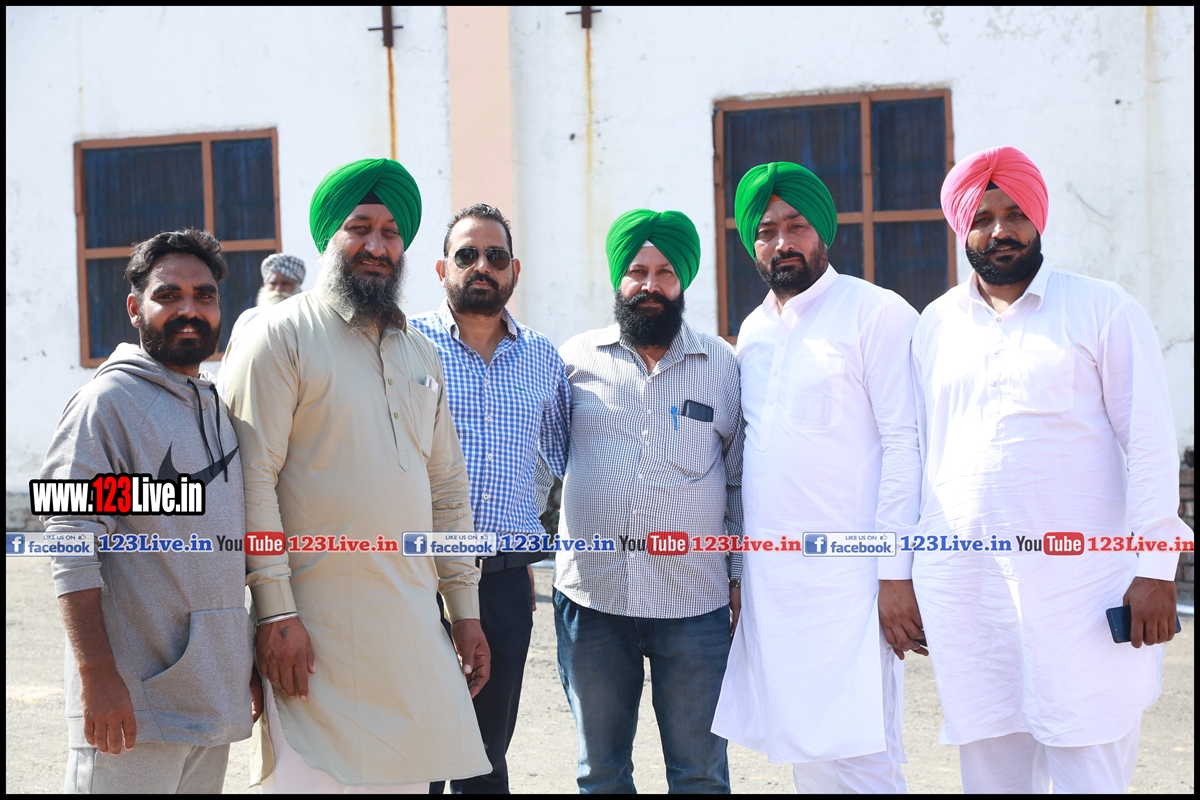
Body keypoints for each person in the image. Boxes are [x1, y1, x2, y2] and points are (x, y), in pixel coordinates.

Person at [909, 145, 1191, 793]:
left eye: (1014, 214)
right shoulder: (935, 325)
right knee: (991, 771)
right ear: (961, 228)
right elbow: (923, 455)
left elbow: (1150, 441)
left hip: (1081, 591)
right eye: (982, 218)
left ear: (1038, 219)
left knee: (1089, 757)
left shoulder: (1102, 308)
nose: (999, 230)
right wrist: (908, 571)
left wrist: (1157, 567)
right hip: (969, 592)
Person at [221, 158, 491, 793]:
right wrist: (274, 615)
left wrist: (465, 609)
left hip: (411, 634)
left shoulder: (419, 351)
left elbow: (447, 489)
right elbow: (252, 481)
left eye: (391, 232)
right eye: (360, 227)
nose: (377, 245)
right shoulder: (278, 337)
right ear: (328, 237)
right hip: (313, 640)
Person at [711, 162, 921, 793]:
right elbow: (749, 462)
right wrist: (743, 576)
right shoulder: (752, 332)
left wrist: (895, 574)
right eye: (766, 230)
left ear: (823, 230)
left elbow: (905, 446)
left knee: (865, 753)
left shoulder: (876, 312)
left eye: (796, 225)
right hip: (776, 587)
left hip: (853, 586)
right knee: (804, 749)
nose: (782, 242)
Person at [40, 229, 256, 793]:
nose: (189, 310)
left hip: (209, 701)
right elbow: (70, 543)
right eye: (168, 295)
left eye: (204, 296)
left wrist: (238, 661)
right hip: (131, 709)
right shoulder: (107, 405)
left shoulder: (217, 407)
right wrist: (97, 675)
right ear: (136, 309)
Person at [554, 209, 744, 793]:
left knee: (699, 774)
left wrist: (740, 575)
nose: (649, 285)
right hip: (593, 600)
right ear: (618, 279)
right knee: (600, 771)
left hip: (694, 603)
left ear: (682, 282)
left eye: (665, 273)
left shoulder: (719, 364)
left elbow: (739, 480)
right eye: (637, 271)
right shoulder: (575, 359)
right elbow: (542, 462)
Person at [411, 203, 571, 793]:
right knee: (416, 758)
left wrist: (520, 528)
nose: (482, 266)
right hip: (417, 580)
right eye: (467, 254)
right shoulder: (404, 344)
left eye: (495, 256)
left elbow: (556, 454)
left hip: (502, 587)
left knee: (485, 757)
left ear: (514, 270)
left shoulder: (542, 357)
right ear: (441, 269)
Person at [227, 253, 306, 343]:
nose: (278, 289)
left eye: (285, 283)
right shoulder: (250, 318)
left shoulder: (306, 320)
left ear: (297, 287)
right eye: (273, 283)